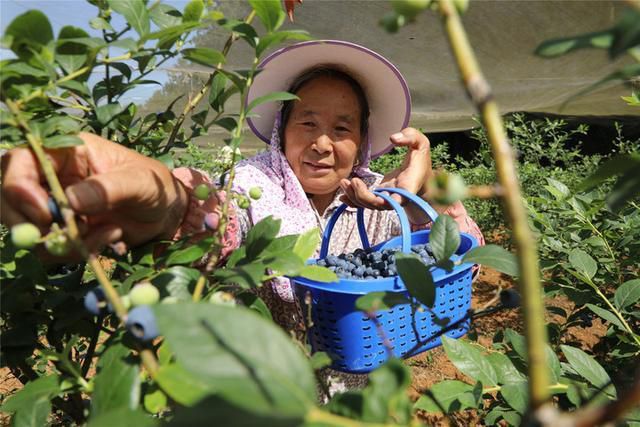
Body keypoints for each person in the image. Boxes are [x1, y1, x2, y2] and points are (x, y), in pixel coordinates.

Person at [1, 40, 483, 391]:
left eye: (342, 128)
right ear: (281, 128)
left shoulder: (381, 198)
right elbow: (219, 217)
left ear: (362, 141)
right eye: (307, 122)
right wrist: (172, 198)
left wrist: (424, 195)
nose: (321, 142)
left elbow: (466, 257)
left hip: (357, 393)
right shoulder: (254, 185)